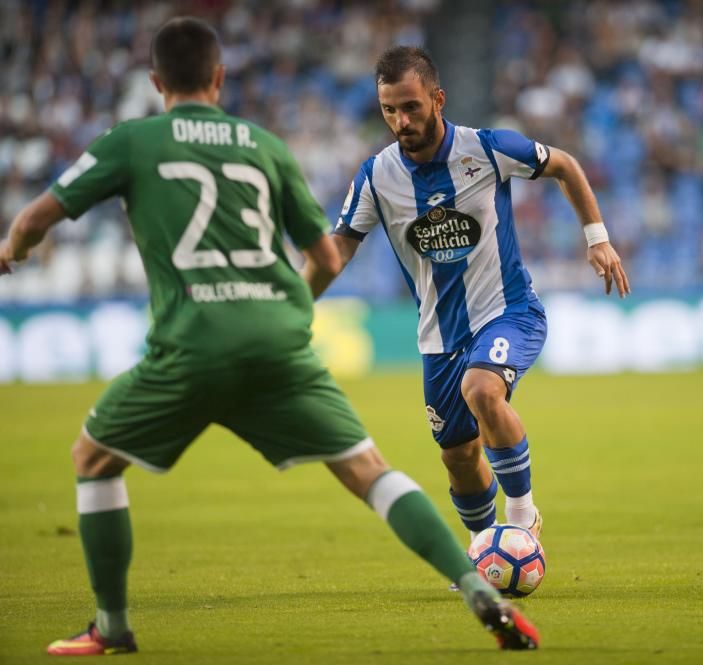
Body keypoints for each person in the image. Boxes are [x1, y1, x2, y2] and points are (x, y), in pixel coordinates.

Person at [0, 18, 538, 654]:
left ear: (154, 83)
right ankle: (476, 588)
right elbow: (326, 257)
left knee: (92, 460)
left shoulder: (132, 141)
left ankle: (111, 626)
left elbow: (38, 216)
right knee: (369, 469)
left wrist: (14, 247)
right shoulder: (263, 145)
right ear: (220, 79)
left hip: (190, 341)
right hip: (273, 336)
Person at [307, 46, 630, 551]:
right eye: (389, 109)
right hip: (439, 334)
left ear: (438, 99)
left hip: (510, 312)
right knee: (457, 455)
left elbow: (564, 165)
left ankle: (523, 519)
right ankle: (486, 551)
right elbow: (338, 250)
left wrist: (597, 237)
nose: (400, 120)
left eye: (411, 106)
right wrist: (292, 302)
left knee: (482, 391)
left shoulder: (487, 149)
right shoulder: (376, 176)